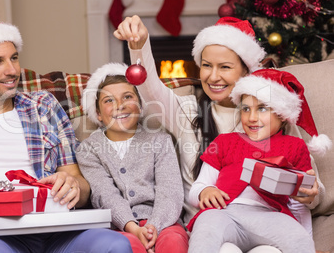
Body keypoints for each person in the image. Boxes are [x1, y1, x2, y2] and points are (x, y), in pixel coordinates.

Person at [0, 18, 133, 253]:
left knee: (115, 245)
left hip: (59, 232)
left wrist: (74, 187)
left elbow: (78, 180)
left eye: (14, 58)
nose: (12, 70)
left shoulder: (44, 106)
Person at [113, 15, 324, 227]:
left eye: (224, 67)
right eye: (207, 65)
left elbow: (311, 184)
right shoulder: (186, 111)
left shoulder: (271, 115)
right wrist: (139, 46)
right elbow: (150, 91)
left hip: (265, 225)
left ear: (246, 71)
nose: (213, 77)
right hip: (208, 229)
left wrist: (310, 195)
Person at [186, 68, 332, 252]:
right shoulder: (224, 142)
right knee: (206, 226)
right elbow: (197, 188)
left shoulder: (294, 146)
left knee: (294, 236)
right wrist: (204, 191)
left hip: (270, 217)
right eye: (246, 109)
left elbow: (299, 205)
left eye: (262, 108)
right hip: (225, 214)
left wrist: (306, 239)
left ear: (281, 114)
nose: (252, 118)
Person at [76, 63, 189, 253]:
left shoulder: (160, 141)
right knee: (129, 246)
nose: (120, 105)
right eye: (109, 101)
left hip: (163, 222)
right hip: (119, 227)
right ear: (98, 114)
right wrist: (132, 227)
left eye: (127, 97)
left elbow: (170, 191)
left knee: (174, 242)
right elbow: (105, 194)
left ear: (140, 105)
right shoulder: (88, 149)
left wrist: (153, 226)